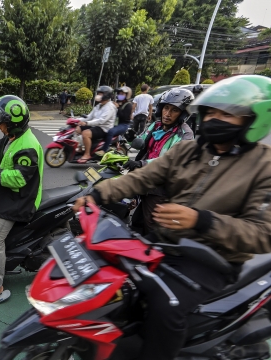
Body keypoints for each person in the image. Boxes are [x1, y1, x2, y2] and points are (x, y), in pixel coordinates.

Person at [74, 75, 271, 360]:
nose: (215, 119)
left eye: (227, 114)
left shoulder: (263, 166)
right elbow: (144, 177)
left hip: (211, 259)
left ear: (255, 119)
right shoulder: (189, 150)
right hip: (164, 242)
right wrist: (98, 195)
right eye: (211, 112)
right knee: (112, 278)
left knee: (166, 305)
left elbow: (263, 234)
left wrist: (200, 220)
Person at [0, 95, 43, 307]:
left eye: (1, 123)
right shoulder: (11, 138)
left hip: (21, 199)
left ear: (12, 123)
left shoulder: (28, 146)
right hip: (9, 195)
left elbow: (19, 179)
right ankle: (4, 254)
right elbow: (3, 155)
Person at [124, 88, 194, 234]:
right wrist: (131, 139)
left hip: (160, 186)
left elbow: (170, 161)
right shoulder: (155, 126)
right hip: (144, 177)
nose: (167, 114)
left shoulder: (185, 135)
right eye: (166, 108)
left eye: (174, 110)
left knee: (151, 227)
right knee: (134, 222)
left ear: (183, 114)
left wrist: (141, 164)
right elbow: (142, 143)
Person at [75, 85, 117, 163]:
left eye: (101, 94)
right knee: (78, 128)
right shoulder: (99, 106)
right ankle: (81, 148)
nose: (98, 96)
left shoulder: (110, 107)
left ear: (106, 95)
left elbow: (101, 121)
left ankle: (87, 154)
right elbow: (89, 117)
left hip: (104, 128)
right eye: (98, 93)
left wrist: (87, 123)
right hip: (96, 125)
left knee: (85, 133)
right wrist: (77, 120)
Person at [93, 86, 133, 159]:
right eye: (119, 93)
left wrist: (118, 108)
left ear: (127, 95)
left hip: (123, 125)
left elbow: (124, 117)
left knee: (111, 132)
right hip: (115, 123)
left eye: (122, 93)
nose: (120, 95)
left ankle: (104, 150)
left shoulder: (128, 105)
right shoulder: (117, 102)